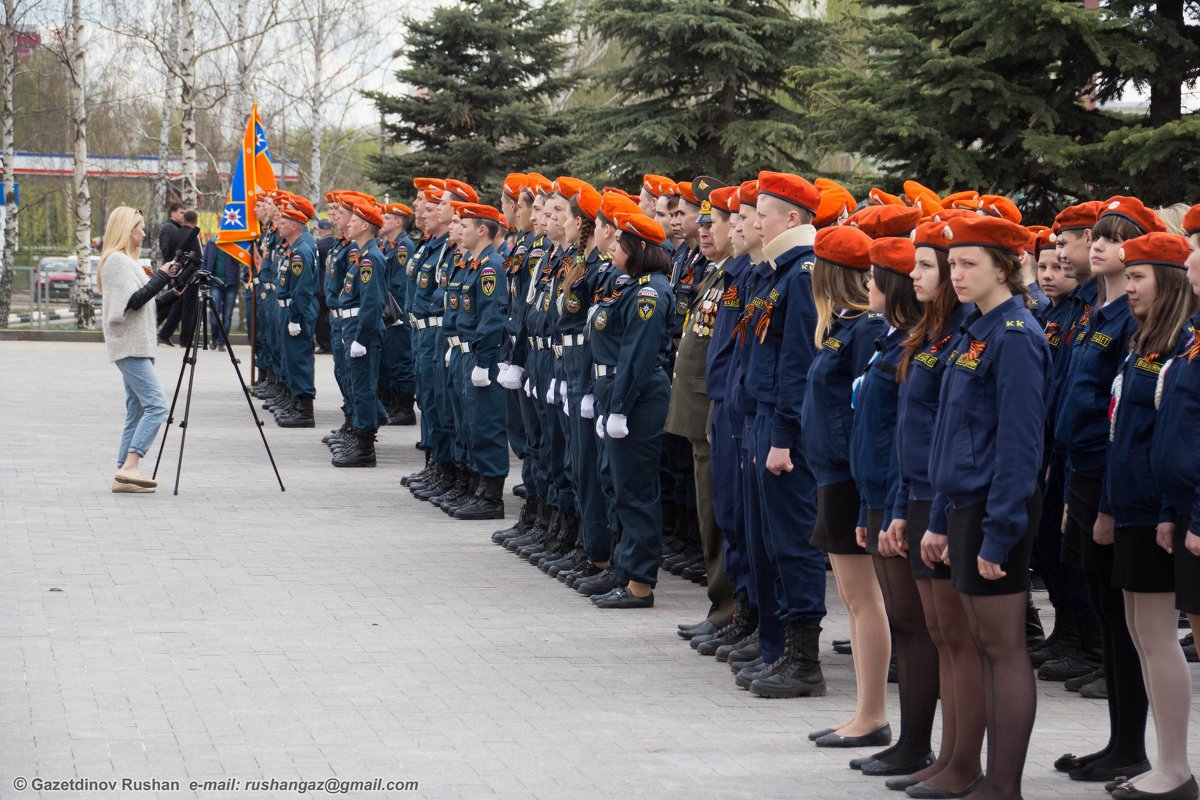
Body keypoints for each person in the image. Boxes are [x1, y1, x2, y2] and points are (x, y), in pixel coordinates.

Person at [926, 214, 1051, 800]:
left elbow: (1021, 447)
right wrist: (938, 519)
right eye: (952, 264)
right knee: (978, 643)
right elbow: (952, 430)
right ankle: (975, 773)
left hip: (995, 509)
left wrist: (1001, 533)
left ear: (1006, 267)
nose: (957, 274)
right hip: (965, 505)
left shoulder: (1017, 336)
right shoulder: (976, 330)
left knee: (1002, 648)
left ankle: (1004, 785)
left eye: (969, 263)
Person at [1053, 198, 1166, 784]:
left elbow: (1117, 414)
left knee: (1122, 623)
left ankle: (1132, 748)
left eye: (1114, 239)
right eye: (1095, 237)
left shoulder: (1133, 320)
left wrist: (1099, 502)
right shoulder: (1098, 313)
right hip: (1082, 473)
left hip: (1107, 477)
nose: (1098, 246)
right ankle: (1117, 741)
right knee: (1102, 605)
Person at [879, 221, 986, 793]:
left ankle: (962, 760)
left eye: (925, 266)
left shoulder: (969, 333)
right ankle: (945, 756)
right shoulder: (932, 331)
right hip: (918, 494)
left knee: (957, 637)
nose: (912, 275)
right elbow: (911, 430)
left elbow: (955, 433)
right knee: (941, 634)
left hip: (944, 498)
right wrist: (901, 505)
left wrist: (932, 509)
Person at [1105, 232, 1199, 800]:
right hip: (1145, 505)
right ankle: (1167, 762)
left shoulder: (1181, 342)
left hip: (1159, 507)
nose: (1129, 285)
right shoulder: (1151, 342)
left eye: (1138, 276)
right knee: (1142, 633)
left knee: (1159, 636)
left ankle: (1175, 767)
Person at [800, 224, 890, 736]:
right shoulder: (844, 327)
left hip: (850, 476)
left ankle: (873, 714)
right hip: (833, 473)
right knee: (855, 601)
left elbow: (866, 412)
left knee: (862, 599)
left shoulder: (866, 330)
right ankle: (863, 711)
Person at [848, 235, 931, 765]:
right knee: (904, 621)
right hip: (878, 494)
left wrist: (893, 509)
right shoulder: (892, 339)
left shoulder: (911, 346)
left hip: (897, 495)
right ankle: (909, 740)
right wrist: (866, 509)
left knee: (912, 624)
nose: (867, 284)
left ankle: (916, 744)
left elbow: (905, 437)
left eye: (876, 276)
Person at [667, 180, 741, 645]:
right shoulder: (718, 275)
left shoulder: (737, 277)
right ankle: (721, 607)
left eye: (712, 222)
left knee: (721, 517)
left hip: (716, 414)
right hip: (701, 412)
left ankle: (731, 610)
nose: (702, 229)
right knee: (709, 516)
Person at [589, 211, 675, 608]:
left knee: (637, 492)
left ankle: (640, 583)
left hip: (638, 399)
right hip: (619, 393)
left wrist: (620, 408)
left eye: (622, 242)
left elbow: (638, 357)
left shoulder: (648, 293)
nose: (614, 247)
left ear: (639, 248)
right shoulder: (632, 287)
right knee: (621, 489)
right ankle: (625, 573)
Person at [1148, 206, 1200, 798]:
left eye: (1195, 246)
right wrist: (1170, 509)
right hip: (1182, 510)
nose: (1188, 259)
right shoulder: (1193, 334)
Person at [98, 206, 179, 493]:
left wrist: (173, 292)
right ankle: (131, 465)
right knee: (157, 407)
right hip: (130, 346)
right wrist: (160, 276)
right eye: (140, 227)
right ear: (126, 229)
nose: (143, 233)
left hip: (137, 344)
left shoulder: (127, 262)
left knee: (136, 410)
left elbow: (147, 305)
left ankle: (123, 472)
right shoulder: (118, 261)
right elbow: (130, 303)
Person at [450, 202, 512, 520]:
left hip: (482, 357)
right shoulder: (475, 265)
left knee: (486, 425)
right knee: (470, 424)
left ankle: (491, 498)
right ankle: (477, 488)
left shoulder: (490, 268)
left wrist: (484, 361)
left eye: (466, 224)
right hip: (469, 353)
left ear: (482, 230)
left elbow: (492, 319)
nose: (459, 229)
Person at [334, 197, 387, 467]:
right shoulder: (362, 256)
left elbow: (372, 303)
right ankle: (359, 435)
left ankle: (365, 447)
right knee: (357, 387)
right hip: (353, 326)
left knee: (364, 389)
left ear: (366, 226)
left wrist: (361, 339)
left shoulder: (371, 259)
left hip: (361, 331)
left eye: (353, 219)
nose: (348, 223)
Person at [273, 196, 319, 428]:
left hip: (296, 311)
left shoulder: (301, 252)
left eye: (283, 222)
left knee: (299, 360)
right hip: (290, 310)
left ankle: (304, 410)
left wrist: (295, 318)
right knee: (291, 359)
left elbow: (303, 290)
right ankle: (296, 403)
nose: (277, 225)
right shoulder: (294, 248)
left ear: (294, 226)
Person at [379, 203, 417, 425]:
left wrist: (395, 315)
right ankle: (392, 403)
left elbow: (400, 285)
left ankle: (404, 408)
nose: (381, 219)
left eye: (387, 217)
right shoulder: (390, 246)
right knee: (388, 361)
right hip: (388, 315)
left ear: (398, 222)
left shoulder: (404, 247)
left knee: (400, 361)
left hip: (397, 315)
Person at [202, 233, 239, 349]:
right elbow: (205, 260)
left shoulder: (234, 243)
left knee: (227, 315)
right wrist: (203, 276)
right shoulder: (211, 243)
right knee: (214, 311)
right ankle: (213, 338)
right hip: (215, 283)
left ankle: (222, 341)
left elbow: (239, 260)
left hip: (231, 283)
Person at [314, 218, 335, 353]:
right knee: (329, 316)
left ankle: (325, 344)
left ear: (319, 230)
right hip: (329, 284)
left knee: (322, 317)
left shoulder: (319, 245)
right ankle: (329, 342)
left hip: (321, 285)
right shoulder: (334, 243)